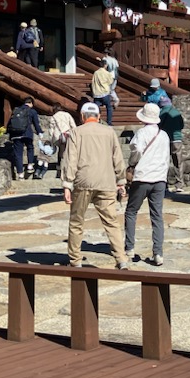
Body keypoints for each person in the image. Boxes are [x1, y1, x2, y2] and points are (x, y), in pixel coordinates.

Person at [61, 101, 129, 269]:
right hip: (106, 182)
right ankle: (121, 258)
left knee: (77, 221)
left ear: (82, 116)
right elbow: (118, 158)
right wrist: (121, 181)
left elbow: (71, 160)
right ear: (99, 117)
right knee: (111, 222)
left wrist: (67, 184)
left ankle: (75, 260)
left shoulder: (76, 133)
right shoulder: (109, 132)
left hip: (83, 181)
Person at [124, 103, 171, 266]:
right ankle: (158, 252)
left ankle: (129, 247)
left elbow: (136, 150)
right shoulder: (164, 135)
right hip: (159, 178)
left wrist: (132, 163)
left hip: (142, 177)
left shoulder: (141, 133)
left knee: (131, 211)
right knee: (157, 215)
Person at [6, 97, 42, 180]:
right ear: (31, 103)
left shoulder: (16, 110)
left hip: (16, 135)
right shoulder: (32, 111)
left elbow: (9, 123)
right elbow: (36, 124)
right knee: (30, 147)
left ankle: (20, 174)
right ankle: (30, 165)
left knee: (18, 154)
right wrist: (39, 132)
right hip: (27, 134)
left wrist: (8, 133)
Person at [158, 99, 186, 191]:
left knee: (164, 162)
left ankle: (164, 184)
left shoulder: (161, 113)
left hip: (165, 140)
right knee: (178, 162)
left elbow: (158, 126)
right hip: (177, 140)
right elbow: (182, 125)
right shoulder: (176, 112)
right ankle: (179, 184)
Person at [48, 103, 77, 177]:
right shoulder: (67, 114)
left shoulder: (53, 117)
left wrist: (51, 140)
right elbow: (73, 125)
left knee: (61, 151)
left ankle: (59, 168)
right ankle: (69, 167)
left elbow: (51, 130)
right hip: (68, 135)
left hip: (59, 137)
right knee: (69, 151)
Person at [91, 58, 115, 126]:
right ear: (105, 65)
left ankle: (96, 120)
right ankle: (109, 122)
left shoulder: (96, 73)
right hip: (105, 93)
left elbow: (93, 82)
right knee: (109, 107)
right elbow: (110, 82)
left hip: (97, 93)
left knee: (96, 109)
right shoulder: (107, 73)